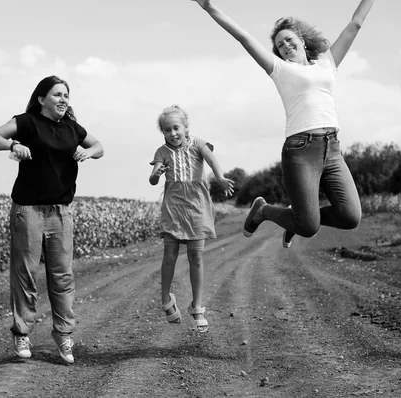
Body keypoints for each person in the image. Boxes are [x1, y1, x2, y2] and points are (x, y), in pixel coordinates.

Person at [190, 0, 374, 248]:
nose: (285, 46)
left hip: (332, 149)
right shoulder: (280, 69)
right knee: (308, 227)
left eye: (288, 39)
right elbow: (243, 37)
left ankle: (294, 219)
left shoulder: (326, 62)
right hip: (300, 151)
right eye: (279, 45)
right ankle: (264, 211)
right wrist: (209, 7)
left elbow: (356, 23)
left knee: (350, 216)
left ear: (301, 38)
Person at [0, 75, 104, 364]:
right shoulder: (27, 122)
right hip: (28, 210)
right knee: (25, 275)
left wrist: (87, 151)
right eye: (57, 95)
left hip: (61, 211)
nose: (63, 100)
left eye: (66, 95)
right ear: (41, 99)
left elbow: (99, 146)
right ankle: (22, 333)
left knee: (62, 277)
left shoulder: (73, 128)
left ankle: (64, 336)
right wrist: (12, 145)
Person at [149, 105, 234, 332]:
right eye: (167, 130)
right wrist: (155, 174)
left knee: (196, 257)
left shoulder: (198, 144)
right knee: (169, 257)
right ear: (163, 133)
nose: (172, 133)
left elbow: (212, 159)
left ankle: (197, 307)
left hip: (196, 206)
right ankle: (166, 299)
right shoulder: (162, 152)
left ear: (186, 127)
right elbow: (153, 179)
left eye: (176, 128)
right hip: (174, 208)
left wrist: (221, 178)